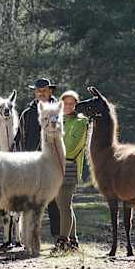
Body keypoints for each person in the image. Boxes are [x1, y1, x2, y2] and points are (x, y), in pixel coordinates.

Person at [14, 77, 61, 241]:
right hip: (30, 166)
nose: (41, 93)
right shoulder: (27, 115)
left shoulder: (58, 112)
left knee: (56, 202)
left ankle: (59, 239)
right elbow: (18, 140)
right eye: (38, 90)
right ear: (34, 92)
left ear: (51, 91)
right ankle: (28, 238)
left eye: (44, 90)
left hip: (53, 165)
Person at [53, 90, 88, 251]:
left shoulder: (81, 122)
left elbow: (73, 148)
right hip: (54, 166)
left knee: (64, 205)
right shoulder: (57, 120)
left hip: (70, 166)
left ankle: (62, 241)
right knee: (63, 204)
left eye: (71, 103)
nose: (68, 106)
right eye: (65, 103)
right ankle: (73, 241)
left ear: (76, 104)